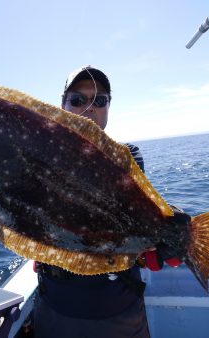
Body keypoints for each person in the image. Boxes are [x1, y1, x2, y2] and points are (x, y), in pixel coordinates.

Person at [32, 66, 181, 338]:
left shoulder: (128, 156)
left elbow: (133, 212)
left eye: (100, 100)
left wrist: (171, 225)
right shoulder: (39, 156)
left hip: (118, 311)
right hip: (54, 306)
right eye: (77, 100)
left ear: (108, 107)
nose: (89, 108)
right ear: (62, 105)